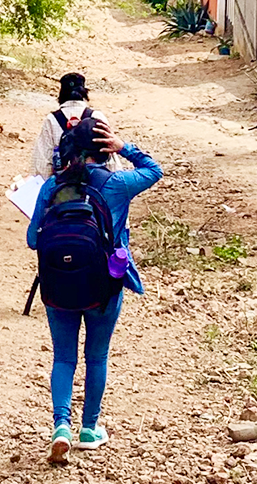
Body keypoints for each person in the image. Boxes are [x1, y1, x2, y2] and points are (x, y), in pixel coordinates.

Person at [25, 115, 161, 464]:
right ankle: (89, 428)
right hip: (104, 286)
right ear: (103, 151)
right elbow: (154, 170)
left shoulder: (52, 187)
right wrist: (124, 147)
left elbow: (31, 240)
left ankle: (60, 426)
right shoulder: (116, 183)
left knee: (64, 357)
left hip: (58, 285)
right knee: (96, 356)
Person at [30, 72, 113, 177]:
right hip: (95, 182)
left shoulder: (51, 120)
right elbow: (111, 159)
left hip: (64, 185)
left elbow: (42, 163)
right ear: (84, 93)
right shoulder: (97, 117)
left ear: (61, 93)